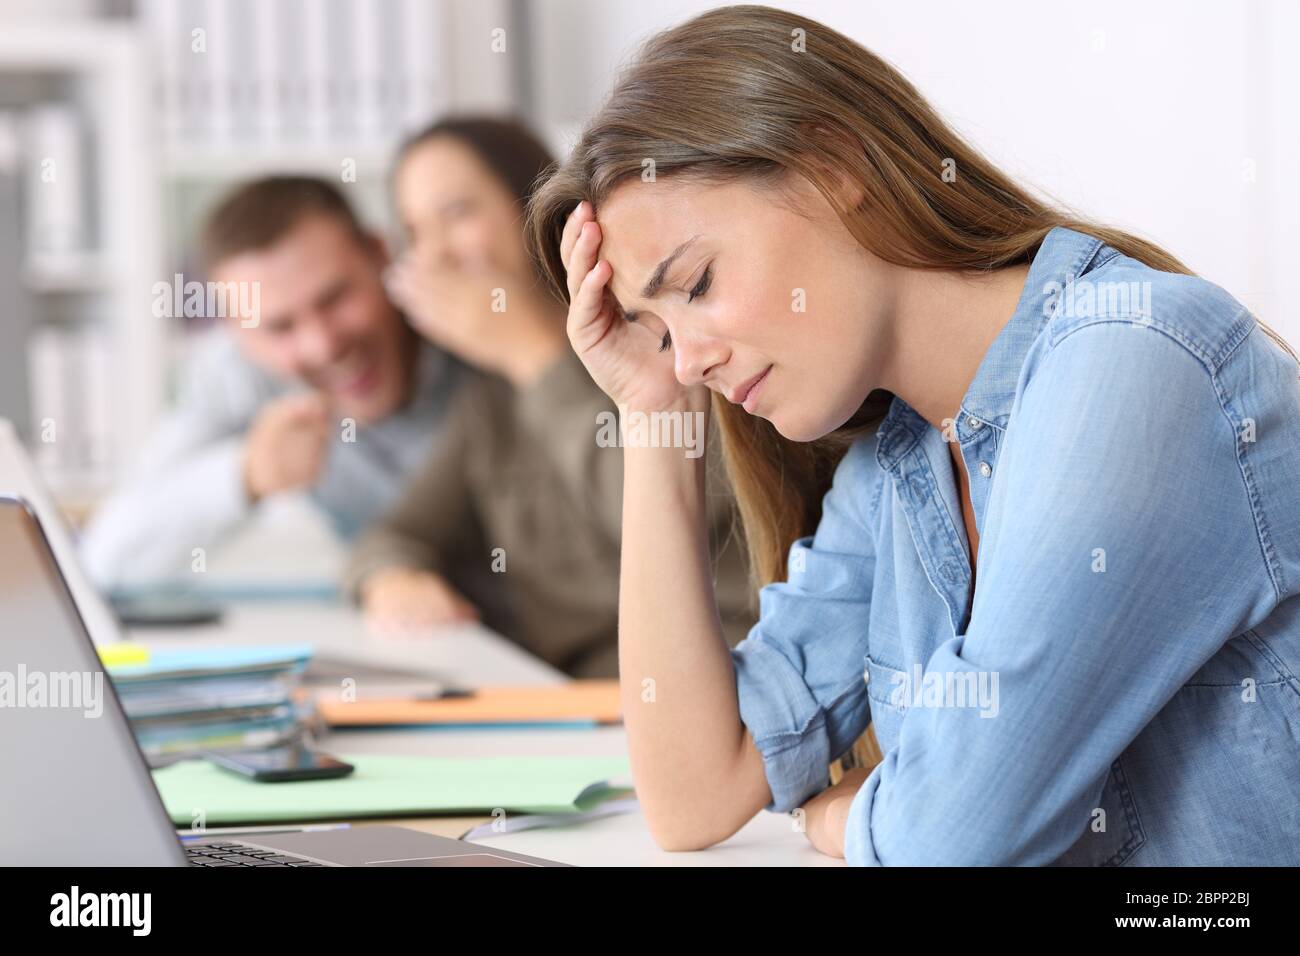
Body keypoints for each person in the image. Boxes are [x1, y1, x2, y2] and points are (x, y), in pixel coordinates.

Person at [525, 5, 1300, 864]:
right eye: (662, 331)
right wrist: (655, 412)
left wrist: (843, 820)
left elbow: (954, 842)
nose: (690, 360)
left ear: (834, 165)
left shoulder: (1134, 358)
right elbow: (692, 794)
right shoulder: (899, 468)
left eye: (698, 284)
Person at [345, 117, 754, 679]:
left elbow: (667, 506)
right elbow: (397, 534)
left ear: (536, 206)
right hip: (577, 701)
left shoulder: (665, 332)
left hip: (722, 679)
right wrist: (390, 577)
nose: (434, 255)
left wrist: (533, 354)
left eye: (458, 214)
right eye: (415, 232)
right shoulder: (489, 395)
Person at [80, 177, 464, 590]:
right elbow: (107, 559)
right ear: (235, 332)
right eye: (280, 326)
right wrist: (245, 475)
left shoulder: (470, 336)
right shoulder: (235, 373)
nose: (322, 346)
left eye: (334, 298)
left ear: (379, 254)